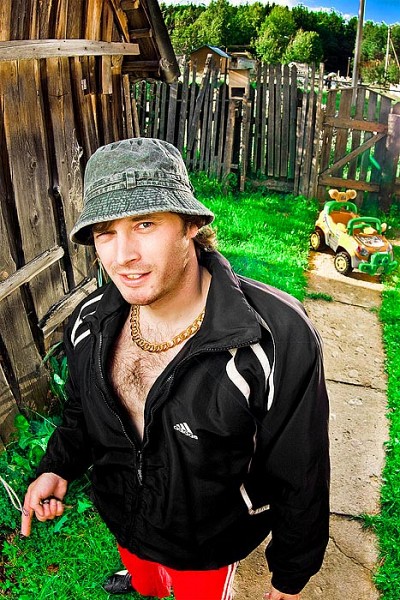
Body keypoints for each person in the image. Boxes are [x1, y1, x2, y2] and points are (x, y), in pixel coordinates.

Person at [21, 138, 330, 600]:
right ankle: (143, 579)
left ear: (191, 225)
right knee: (146, 584)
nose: (122, 255)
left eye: (144, 224)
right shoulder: (89, 323)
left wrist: (290, 574)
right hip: (125, 521)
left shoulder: (276, 339)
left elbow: (301, 471)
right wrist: (58, 466)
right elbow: (83, 411)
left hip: (205, 546)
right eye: (105, 232)